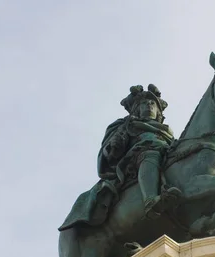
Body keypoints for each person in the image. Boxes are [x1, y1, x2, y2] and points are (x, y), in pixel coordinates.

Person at [59, 84, 181, 232]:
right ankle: (150, 201)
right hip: (136, 158)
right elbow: (110, 153)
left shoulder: (167, 132)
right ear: (137, 109)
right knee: (150, 153)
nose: (149, 106)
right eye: (144, 104)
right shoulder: (126, 125)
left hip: (165, 152)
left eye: (152, 104)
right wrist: (113, 147)